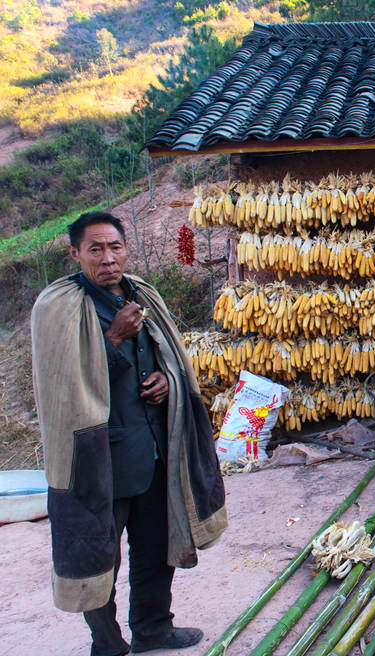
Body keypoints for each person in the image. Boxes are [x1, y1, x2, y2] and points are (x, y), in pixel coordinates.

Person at [31, 211, 228, 656]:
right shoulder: (58, 306)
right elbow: (64, 384)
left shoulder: (144, 294)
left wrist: (165, 380)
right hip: (97, 462)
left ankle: (153, 630)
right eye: (95, 249)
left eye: (115, 247)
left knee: (156, 548)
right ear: (75, 253)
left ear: (126, 248)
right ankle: (108, 644)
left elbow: (171, 360)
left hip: (154, 450)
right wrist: (114, 339)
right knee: (99, 557)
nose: (107, 258)